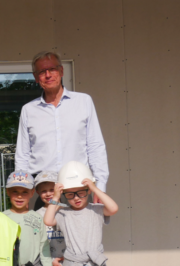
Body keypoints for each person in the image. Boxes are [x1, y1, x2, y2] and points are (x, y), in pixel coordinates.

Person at [15, 51, 110, 195]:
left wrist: (100, 186)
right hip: (42, 190)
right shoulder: (28, 110)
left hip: (78, 187)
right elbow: (23, 154)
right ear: (36, 77)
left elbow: (95, 146)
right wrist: (22, 190)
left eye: (52, 69)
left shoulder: (83, 102)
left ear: (61, 71)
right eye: (42, 71)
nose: (48, 75)